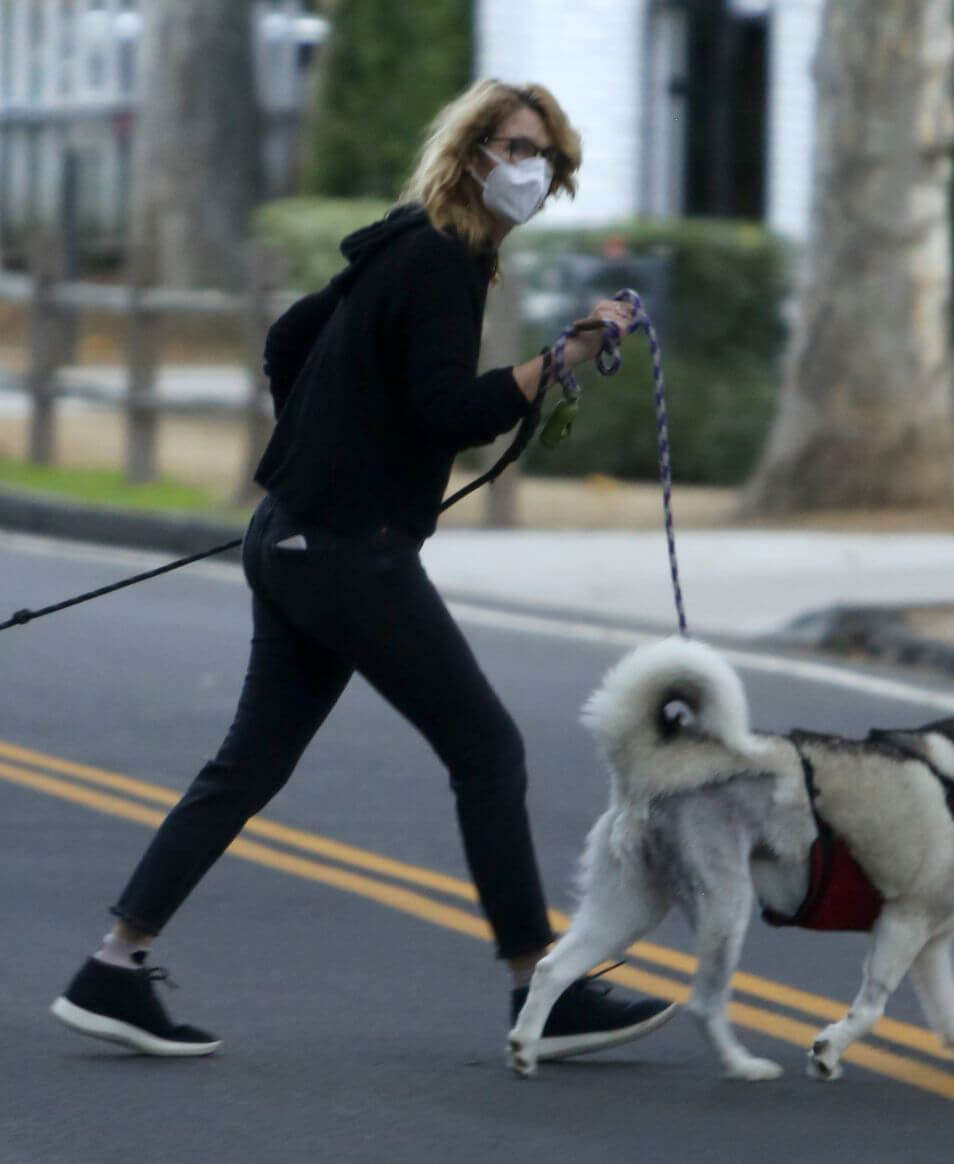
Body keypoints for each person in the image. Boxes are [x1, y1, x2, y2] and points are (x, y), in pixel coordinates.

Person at [51, 80, 675, 1059]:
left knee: (247, 763)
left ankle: (112, 967)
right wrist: (558, 362)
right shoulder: (439, 259)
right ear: (472, 153)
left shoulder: (401, 240)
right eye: (516, 146)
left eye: (546, 158)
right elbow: (443, 412)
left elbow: (289, 340)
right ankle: (536, 991)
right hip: (347, 552)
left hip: (298, 536)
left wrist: (324, 450)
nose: (532, 169)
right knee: (487, 748)